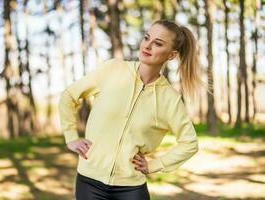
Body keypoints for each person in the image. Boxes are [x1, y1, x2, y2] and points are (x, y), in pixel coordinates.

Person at [59, 19, 203, 200]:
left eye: (158, 43)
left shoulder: (170, 100)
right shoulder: (112, 69)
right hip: (89, 181)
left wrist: (154, 165)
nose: (147, 46)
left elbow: (189, 143)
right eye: (146, 38)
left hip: (131, 188)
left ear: (171, 55)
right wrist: (71, 137)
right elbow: (68, 96)